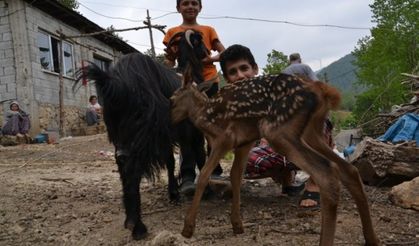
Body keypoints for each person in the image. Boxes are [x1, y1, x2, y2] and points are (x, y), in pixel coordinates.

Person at [219, 44, 304, 196]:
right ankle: (286, 179)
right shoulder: (234, 109)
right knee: (250, 157)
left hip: (298, 141)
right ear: (227, 79)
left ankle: (315, 186)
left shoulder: (277, 89)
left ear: (255, 69)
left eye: (244, 68)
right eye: (233, 72)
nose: (240, 76)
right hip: (271, 151)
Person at [163, 0, 226, 195]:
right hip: (186, 85)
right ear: (178, 8)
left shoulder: (208, 30)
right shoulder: (172, 32)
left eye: (194, 3)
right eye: (185, 3)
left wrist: (210, 59)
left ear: (200, 7)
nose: (190, 7)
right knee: (186, 131)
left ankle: (214, 173)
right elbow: (169, 60)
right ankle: (188, 176)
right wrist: (166, 71)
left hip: (209, 82)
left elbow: (224, 53)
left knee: (211, 128)